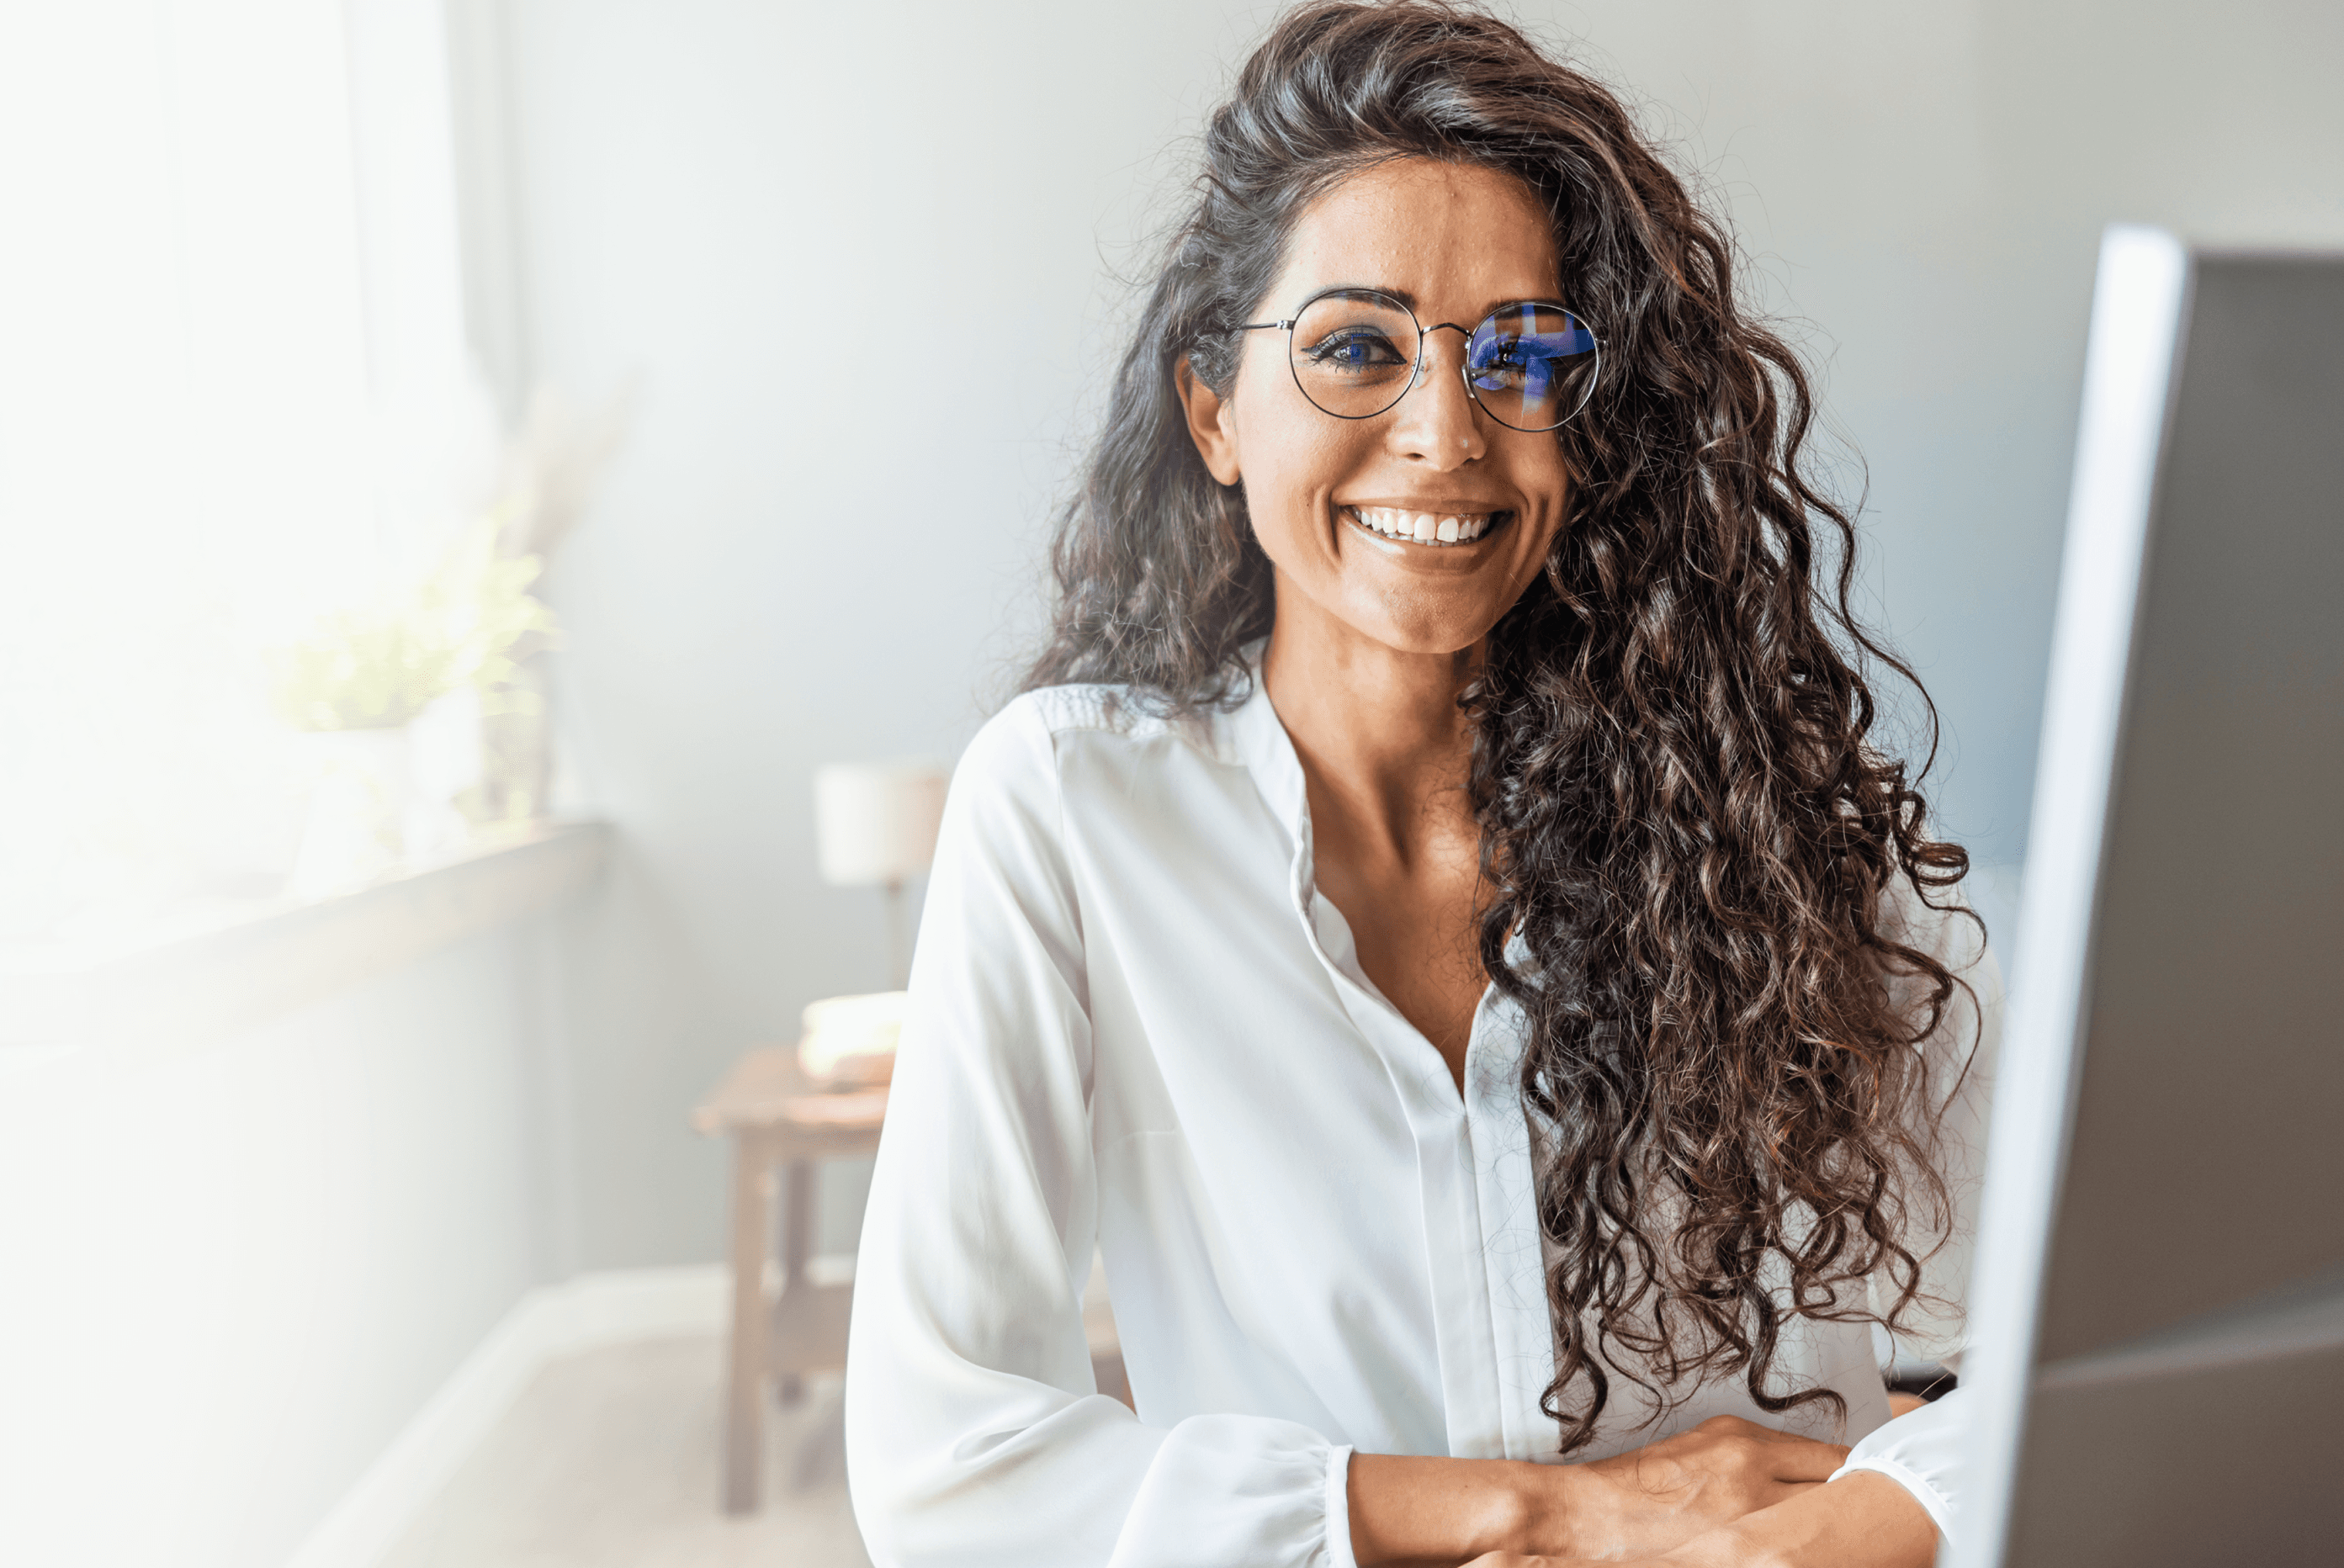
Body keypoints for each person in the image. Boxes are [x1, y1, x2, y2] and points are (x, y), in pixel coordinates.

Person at [841, 5, 1995, 1565]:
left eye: (1521, 353)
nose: (1447, 434)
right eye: (1357, 349)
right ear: (1213, 413)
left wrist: (1818, 1540)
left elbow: (2065, 1340)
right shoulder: (1067, 815)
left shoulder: (1761, 822)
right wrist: (1557, 1515)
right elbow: (944, 1465)